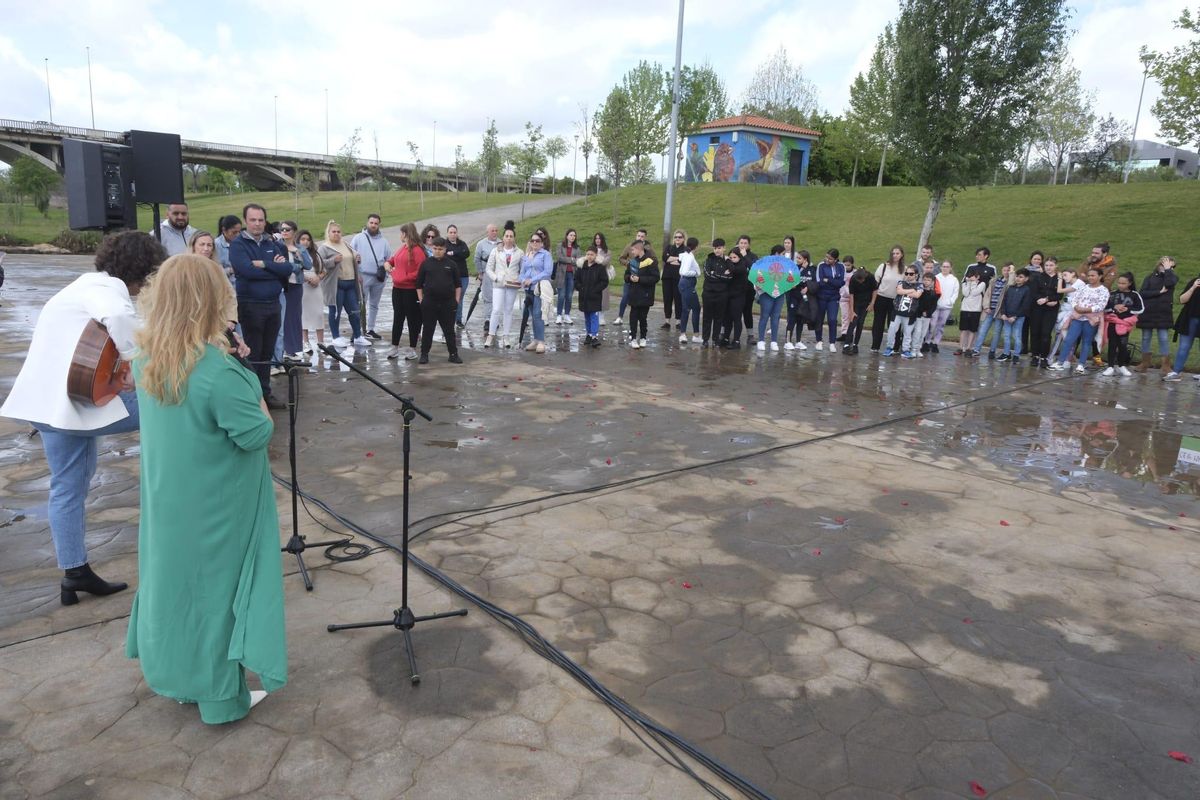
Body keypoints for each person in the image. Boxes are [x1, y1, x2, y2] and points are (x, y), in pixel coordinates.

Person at [127, 253, 285, 724]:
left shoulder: (147, 357)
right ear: (213, 300)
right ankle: (219, 698)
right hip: (218, 501)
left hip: (169, 496)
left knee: (176, 587)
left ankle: (181, 679)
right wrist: (249, 380)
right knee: (217, 593)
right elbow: (257, 433)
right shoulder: (217, 370)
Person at [1, 231, 165, 603]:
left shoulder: (78, 287)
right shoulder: (107, 290)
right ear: (140, 270)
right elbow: (119, 318)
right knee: (169, 406)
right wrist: (134, 363)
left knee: (67, 487)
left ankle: (74, 572)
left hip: (50, 407)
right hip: (76, 405)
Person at [229, 204, 291, 409]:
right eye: (253, 220)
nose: (257, 224)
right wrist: (274, 267)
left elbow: (288, 268)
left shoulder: (272, 242)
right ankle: (254, 397)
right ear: (246, 221)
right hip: (251, 306)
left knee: (268, 351)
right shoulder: (239, 244)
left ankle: (266, 393)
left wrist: (264, 264)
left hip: (273, 305)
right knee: (254, 353)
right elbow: (246, 271)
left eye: (261, 220)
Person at [1049, 267, 1110, 374]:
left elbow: (1101, 305)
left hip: (1091, 320)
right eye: (1089, 275)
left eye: (1093, 275)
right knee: (1069, 339)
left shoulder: (1103, 290)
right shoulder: (1084, 287)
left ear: (1100, 276)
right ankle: (1060, 362)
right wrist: (1076, 307)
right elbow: (1075, 299)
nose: (1090, 277)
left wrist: (1086, 310)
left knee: (1086, 342)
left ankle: (1081, 364)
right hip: (1078, 318)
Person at [318, 220, 366, 348]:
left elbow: (353, 254)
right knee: (335, 312)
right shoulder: (324, 247)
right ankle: (335, 337)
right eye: (333, 232)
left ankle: (358, 336)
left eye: (338, 232)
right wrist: (333, 260)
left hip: (350, 283)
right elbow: (319, 264)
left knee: (355, 311)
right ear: (328, 233)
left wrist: (357, 257)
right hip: (336, 285)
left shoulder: (345, 244)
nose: (336, 234)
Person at [416, 237, 464, 364]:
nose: (437, 251)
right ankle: (424, 354)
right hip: (429, 302)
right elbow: (418, 284)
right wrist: (421, 300)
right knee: (428, 329)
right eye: (435, 249)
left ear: (445, 249)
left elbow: (458, 285)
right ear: (432, 248)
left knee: (449, 330)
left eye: (440, 249)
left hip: (448, 303)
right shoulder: (426, 263)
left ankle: (453, 354)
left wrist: (456, 301)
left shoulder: (451, 264)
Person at [386, 223, 425, 360]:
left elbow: (419, 271)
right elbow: (393, 260)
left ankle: (412, 348)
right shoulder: (403, 248)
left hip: (410, 289)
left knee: (412, 319)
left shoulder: (417, 251)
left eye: (401, 233)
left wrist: (403, 278)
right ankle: (394, 346)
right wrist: (388, 264)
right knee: (398, 318)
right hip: (397, 289)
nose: (400, 236)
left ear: (405, 234)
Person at [350, 214, 392, 340]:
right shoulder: (358, 238)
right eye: (371, 222)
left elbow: (388, 259)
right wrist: (356, 274)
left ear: (379, 225)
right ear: (367, 223)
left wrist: (386, 274)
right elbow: (351, 256)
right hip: (363, 276)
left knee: (374, 304)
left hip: (378, 278)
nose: (373, 225)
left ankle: (371, 329)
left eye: (376, 223)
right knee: (361, 304)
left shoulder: (384, 241)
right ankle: (357, 330)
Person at [277, 221, 311, 359]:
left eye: (287, 229)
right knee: (282, 317)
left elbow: (308, 265)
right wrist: (295, 267)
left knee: (294, 317)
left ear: (294, 232)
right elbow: (279, 265)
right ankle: (283, 349)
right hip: (281, 286)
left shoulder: (299, 248)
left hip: (296, 285)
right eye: (282, 229)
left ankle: (294, 348)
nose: (284, 231)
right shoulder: (277, 246)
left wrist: (298, 254)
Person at [484, 227, 523, 348]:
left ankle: (506, 336)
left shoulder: (519, 252)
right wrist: (495, 278)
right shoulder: (496, 251)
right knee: (496, 309)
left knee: (508, 310)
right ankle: (491, 334)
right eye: (507, 236)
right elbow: (489, 268)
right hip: (499, 284)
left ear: (514, 238)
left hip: (512, 285)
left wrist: (519, 279)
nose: (509, 238)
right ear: (503, 237)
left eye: (511, 236)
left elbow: (523, 269)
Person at [1136, 257, 1177, 372]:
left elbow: (1169, 283)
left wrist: (1168, 270)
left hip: (1163, 312)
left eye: (1172, 267)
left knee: (1163, 338)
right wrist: (1158, 292)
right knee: (1146, 337)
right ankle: (1145, 362)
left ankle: (1166, 365)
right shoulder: (1149, 277)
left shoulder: (1172, 277)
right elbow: (1142, 293)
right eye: (1166, 265)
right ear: (1159, 264)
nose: (1170, 268)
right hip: (1148, 311)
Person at [1102, 272, 1144, 377]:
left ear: (1129, 283)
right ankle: (1110, 366)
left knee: (1123, 345)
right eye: (1119, 283)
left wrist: (1127, 309)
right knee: (1112, 344)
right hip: (1112, 322)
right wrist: (1114, 307)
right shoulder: (1112, 294)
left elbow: (1140, 309)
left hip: (1125, 324)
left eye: (1123, 283)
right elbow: (1104, 307)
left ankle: (1121, 365)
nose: (1120, 285)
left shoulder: (1134, 294)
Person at [520, 230, 553, 353]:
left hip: (539, 288)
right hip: (528, 289)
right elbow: (522, 272)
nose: (534, 242)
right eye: (532, 240)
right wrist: (523, 280)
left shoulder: (545, 255)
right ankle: (535, 339)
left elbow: (547, 272)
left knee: (538, 314)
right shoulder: (526, 256)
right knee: (532, 316)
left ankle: (541, 341)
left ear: (542, 243)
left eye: (537, 241)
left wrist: (532, 280)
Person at [971, 262, 1013, 359]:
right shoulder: (995, 281)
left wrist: (1012, 273)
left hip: (999, 311)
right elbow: (987, 294)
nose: (1006, 272)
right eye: (1004, 270)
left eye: (1008, 271)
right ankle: (976, 349)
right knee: (983, 330)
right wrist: (986, 306)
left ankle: (992, 350)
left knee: (997, 332)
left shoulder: (1010, 282)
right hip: (990, 310)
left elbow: (1010, 284)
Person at [1163, 273, 1200, 382]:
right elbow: (1182, 300)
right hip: (1189, 318)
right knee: (1184, 346)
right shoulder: (1194, 281)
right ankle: (1176, 372)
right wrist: (1193, 287)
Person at [624, 240, 659, 349]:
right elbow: (626, 276)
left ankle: (643, 337)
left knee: (643, 317)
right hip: (634, 293)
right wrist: (629, 278)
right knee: (633, 316)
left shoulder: (651, 261)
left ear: (639, 249)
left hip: (646, 294)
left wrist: (640, 279)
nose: (631, 251)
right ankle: (633, 338)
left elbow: (655, 278)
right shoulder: (632, 262)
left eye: (633, 249)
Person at [1026, 256, 1060, 368]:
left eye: (1051, 265)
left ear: (1056, 266)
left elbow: (1059, 294)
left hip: (1051, 309)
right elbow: (1034, 292)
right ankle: (1035, 355)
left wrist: (1048, 299)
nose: (1048, 268)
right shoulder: (1038, 277)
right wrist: (1041, 299)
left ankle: (1044, 356)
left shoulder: (1059, 279)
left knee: (1046, 333)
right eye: (1046, 265)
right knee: (1035, 332)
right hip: (1037, 307)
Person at [870, 246, 905, 352]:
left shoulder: (905, 269)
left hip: (895, 300)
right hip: (881, 297)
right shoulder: (883, 266)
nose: (895, 255)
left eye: (897, 253)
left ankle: (894, 347)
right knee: (878, 323)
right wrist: (872, 300)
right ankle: (875, 346)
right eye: (893, 253)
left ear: (902, 255)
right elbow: (875, 283)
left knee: (893, 324)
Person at [297, 230, 327, 354]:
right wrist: (308, 278)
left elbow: (323, 270)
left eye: (308, 239)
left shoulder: (316, 254)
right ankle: (305, 342)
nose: (305, 242)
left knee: (319, 313)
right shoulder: (296, 253)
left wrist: (318, 278)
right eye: (303, 239)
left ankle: (321, 342)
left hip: (316, 287)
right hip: (303, 286)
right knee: (304, 315)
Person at [883, 266, 923, 358]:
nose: (908, 275)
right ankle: (889, 348)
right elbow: (899, 291)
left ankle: (905, 350)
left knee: (907, 333)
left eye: (911, 274)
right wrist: (912, 290)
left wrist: (906, 291)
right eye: (906, 273)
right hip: (897, 312)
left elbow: (917, 295)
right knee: (892, 330)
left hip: (910, 314)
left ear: (916, 275)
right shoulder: (901, 282)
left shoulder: (919, 285)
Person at [995, 268, 1032, 363]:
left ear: (1026, 279)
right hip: (1007, 316)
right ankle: (1006, 353)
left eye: (1021, 277)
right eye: (1017, 276)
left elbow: (1025, 305)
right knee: (1006, 335)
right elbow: (1004, 301)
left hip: (1018, 317)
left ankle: (1016, 355)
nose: (1018, 278)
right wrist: (1003, 313)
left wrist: (1015, 316)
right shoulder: (1011, 288)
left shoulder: (1027, 290)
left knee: (1017, 336)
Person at [756, 245, 787, 354]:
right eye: (783, 254)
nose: (784, 256)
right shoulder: (764, 263)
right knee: (764, 315)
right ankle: (761, 340)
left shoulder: (785, 265)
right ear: (777, 253)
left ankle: (774, 341)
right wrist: (759, 286)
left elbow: (788, 278)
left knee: (776, 316)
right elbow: (757, 276)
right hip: (766, 293)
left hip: (779, 294)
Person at [814, 248, 846, 352]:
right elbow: (820, 282)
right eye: (826, 257)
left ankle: (832, 343)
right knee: (819, 319)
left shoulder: (841, 266)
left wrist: (828, 280)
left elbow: (841, 283)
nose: (827, 259)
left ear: (836, 260)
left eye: (830, 258)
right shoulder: (821, 265)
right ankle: (819, 341)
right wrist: (833, 282)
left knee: (832, 319)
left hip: (834, 297)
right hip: (821, 296)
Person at [701, 239, 732, 347]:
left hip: (722, 294)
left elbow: (729, 277)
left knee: (719, 317)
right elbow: (708, 275)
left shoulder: (728, 261)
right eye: (715, 248)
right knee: (707, 317)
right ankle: (705, 339)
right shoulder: (709, 260)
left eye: (719, 248)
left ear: (724, 248)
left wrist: (717, 274)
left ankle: (715, 339)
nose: (717, 250)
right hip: (708, 292)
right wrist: (721, 275)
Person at [575, 246, 607, 347]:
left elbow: (604, 281)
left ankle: (594, 336)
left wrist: (595, 290)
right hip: (584, 296)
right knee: (587, 316)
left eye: (592, 254)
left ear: (596, 255)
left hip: (595, 297)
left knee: (594, 316)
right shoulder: (581, 267)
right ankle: (588, 334)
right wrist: (581, 288)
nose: (589, 256)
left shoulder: (600, 267)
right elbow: (576, 280)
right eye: (588, 254)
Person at [925, 260, 959, 353]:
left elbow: (955, 293)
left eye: (947, 267)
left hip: (946, 306)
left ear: (950, 268)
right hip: (936, 305)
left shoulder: (954, 279)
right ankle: (927, 342)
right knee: (932, 324)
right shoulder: (936, 277)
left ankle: (935, 343)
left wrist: (950, 301)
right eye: (943, 266)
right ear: (940, 267)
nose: (945, 268)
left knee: (941, 325)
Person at [845, 262, 877, 355]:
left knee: (861, 322)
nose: (860, 282)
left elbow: (875, 290)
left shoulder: (870, 277)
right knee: (853, 322)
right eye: (859, 281)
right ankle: (847, 344)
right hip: (856, 302)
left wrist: (872, 303)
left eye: (862, 280)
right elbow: (851, 295)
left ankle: (855, 344)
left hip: (866, 303)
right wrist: (851, 310)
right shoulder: (853, 279)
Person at [722, 244, 750, 349]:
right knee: (727, 318)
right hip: (728, 295)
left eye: (734, 257)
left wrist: (727, 260)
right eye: (731, 257)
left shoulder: (741, 266)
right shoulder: (730, 265)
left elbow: (734, 270)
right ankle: (725, 338)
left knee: (736, 318)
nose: (732, 259)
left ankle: (737, 341)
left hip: (738, 297)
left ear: (739, 257)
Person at [444, 224, 471, 328]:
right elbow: (446, 255)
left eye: (454, 232)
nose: (453, 234)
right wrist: (457, 255)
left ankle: (458, 320)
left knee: (459, 298)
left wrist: (453, 253)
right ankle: (448, 318)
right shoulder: (444, 244)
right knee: (450, 297)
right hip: (449, 276)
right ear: (447, 233)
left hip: (463, 276)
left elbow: (466, 253)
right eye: (451, 232)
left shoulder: (462, 243)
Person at [474, 223, 501, 328]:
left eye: (496, 230)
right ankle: (488, 319)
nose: (494, 232)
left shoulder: (501, 243)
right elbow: (477, 259)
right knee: (487, 297)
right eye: (492, 231)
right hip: (486, 274)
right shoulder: (481, 244)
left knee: (497, 297)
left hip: (498, 275)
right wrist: (480, 272)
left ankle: (496, 319)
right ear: (488, 232)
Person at [733, 235, 758, 345]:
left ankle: (750, 335)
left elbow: (754, 269)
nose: (743, 245)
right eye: (741, 243)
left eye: (745, 243)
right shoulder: (733, 253)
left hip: (748, 289)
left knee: (747, 311)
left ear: (749, 245)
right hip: (735, 288)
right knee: (733, 311)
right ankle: (728, 334)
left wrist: (745, 257)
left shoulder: (752, 256)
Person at [677, 236, 702, 344]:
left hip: (685, 284)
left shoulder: (686, 255)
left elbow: (680, 259)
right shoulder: (689, 257)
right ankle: (694, 335)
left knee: (686, 308)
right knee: (695, 308)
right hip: (687, 283)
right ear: (696, 247)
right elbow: (684, 271)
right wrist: (696, 273)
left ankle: (683, 334)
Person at [661, 229, 686, 330]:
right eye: (676, 237)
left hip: (678, 278)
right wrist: (677, 259)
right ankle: (667, 321)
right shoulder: (669, 247)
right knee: (667, 298)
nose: (677, 239)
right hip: (667, 277)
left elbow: (683, 260)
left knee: (678, 298)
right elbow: (665, 258)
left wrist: (672, 259)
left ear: (683, 239)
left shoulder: (685, 249)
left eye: (680, 237)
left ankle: (678, 321)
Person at [554, 229, 580, 325]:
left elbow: (578, 260)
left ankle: (567, 315)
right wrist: (571, 259)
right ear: (567, 236)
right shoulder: (560, 246)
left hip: (572, 274)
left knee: (569, 296)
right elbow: (559, 257)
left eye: (574, 235)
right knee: (561, 295)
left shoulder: (577, 248)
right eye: (571, 235)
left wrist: (570, 260)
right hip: (561, 274)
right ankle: (559, 315)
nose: (572, 237)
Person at [956, 272, 985, 355]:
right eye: (969, 277)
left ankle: (969, 347)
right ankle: (961, 347)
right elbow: (965, 293)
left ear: (977, 277)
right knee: (963, 329)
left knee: (972, 330)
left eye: (972, 276)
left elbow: (975, 292)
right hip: (965, 309)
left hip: (975, 310)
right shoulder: (965, 284)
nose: (970, 278)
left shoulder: (981, 284)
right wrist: (968, 283)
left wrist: (973, 284)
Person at [912, 272, 940, 358]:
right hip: (918, 315)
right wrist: (921, 311)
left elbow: (934, 306)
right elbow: (917, 303)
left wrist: (928, 313)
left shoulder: (933, 294)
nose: (926, 282)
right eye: (924, 280)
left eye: (928, 280)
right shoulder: (920, 291)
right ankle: (913, 349)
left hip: (927, 317)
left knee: (923, 333)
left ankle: (918, 349)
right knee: (917, 332)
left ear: (932, 282)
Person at [592, 232, 613, 325]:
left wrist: (595, 259)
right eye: (596, 238)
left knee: (604, 296)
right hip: (592, 275)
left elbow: (604, 262)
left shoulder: (607, 251)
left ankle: (602, 316)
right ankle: (594, 314)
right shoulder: (592, 250)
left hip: (603, 276)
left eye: (599, 238)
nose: (597, 240)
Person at [214, 215, 241, 281]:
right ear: (224, 230)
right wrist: (231, 270)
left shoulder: (241, 242)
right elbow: (214, 272)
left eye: (239, 232)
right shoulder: (216, 245)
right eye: (234, 232)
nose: (238, 235)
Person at [837, 255, 855, 343]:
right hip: (843, 297)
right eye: (845, 265)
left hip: (853, 298)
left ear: (852, 264)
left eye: (848, 265)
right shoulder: (840, 272)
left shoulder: (855, 273)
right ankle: (844, 334)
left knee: (852, 316)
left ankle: (850, 334)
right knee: (844, 316)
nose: (846, 267)